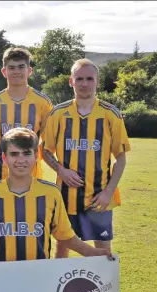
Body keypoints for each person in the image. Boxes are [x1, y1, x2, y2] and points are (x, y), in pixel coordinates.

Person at [0, 127, 114, 265]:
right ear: (4, 158)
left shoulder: (51, 193)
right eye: (14, 154)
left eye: (26, 153)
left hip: (40, 275)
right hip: (0, 275)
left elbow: (64, 235)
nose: (20, 160)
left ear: (36, 156)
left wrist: (90, 252)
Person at [42, 58, 131, 258]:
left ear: (97, 81)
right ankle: (58, 289)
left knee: (103, 251)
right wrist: (61, 170)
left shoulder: (111, 114)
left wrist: (108, 192)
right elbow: (45, 150)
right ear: (71, 81)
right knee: (62, 247)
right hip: (66, 196)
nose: (84, 83)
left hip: (99, 197)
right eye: (79, 79)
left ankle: (103, 290)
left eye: (89, 79)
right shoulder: (58, 113)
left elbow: (121, 158)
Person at [0, 47, 52, 187]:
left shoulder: (43, 102)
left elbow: (47, 142)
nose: (16, 72)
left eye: (21, 67)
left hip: (32, 175)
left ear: (29, 70)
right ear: (4, 72)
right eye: (12, 68)